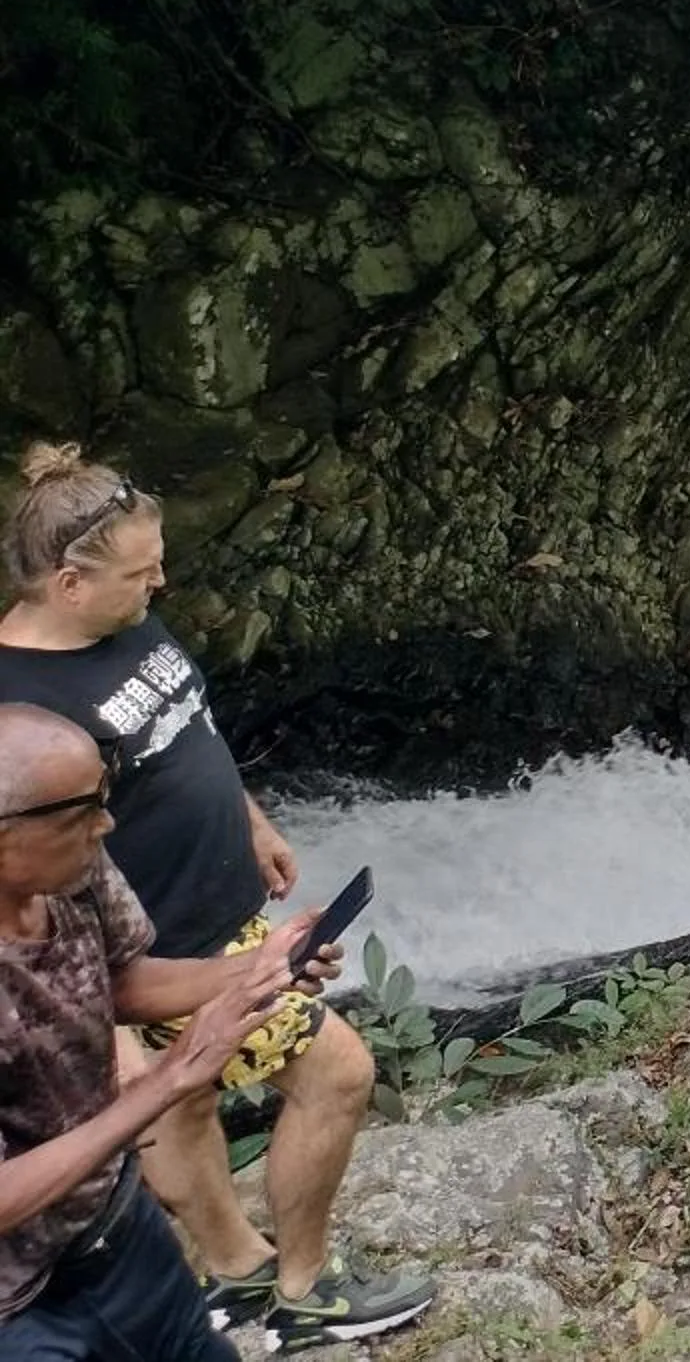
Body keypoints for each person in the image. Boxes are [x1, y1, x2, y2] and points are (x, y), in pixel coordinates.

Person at [0, 448, 433, 1349]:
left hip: (221, 918)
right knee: (337, 1071)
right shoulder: (20, 717)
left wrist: (254, 822)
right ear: (71, 580)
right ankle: (304, 1285)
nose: (160, 579)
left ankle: (236, 1274)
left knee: (189, 1107)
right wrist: (100, 1028)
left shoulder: (125, 627)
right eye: (140, 570)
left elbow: (180, 728)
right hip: (154, 951)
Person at [0, 700, 341, 1361]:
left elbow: (120, 981)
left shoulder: (70, 869)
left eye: (103, 796)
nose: (107, 823)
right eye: (82, 813)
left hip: (119, 1235)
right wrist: (171, 1078)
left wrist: (257, 970)